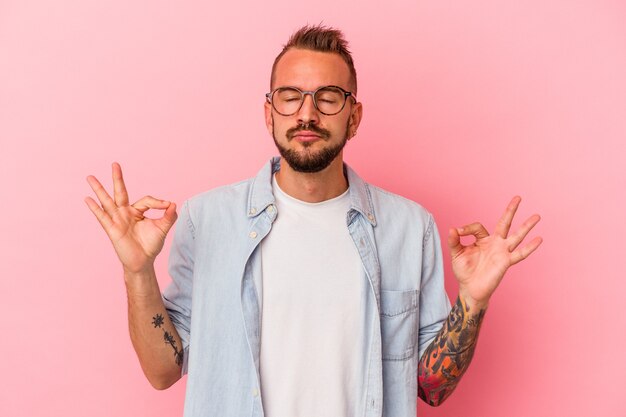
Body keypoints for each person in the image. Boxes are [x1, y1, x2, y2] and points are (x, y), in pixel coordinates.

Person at [85, 24, 542, 417]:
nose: (307, 113)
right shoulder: (207, 221)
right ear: (269, 113)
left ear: (354, 115)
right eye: (290, 97)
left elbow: (430, 388)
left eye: (327, 97)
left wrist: (473, 301)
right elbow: (163, 372)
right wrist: (137, 270)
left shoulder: (409, 228)